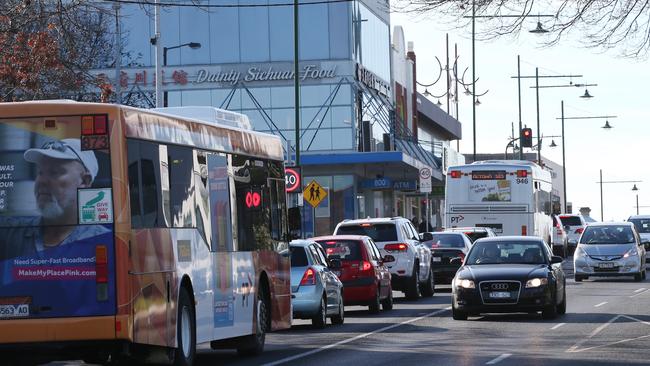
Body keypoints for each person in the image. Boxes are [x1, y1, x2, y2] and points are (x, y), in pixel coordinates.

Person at [0, 138, 108, 260]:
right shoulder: (10, 234)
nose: (41, 181)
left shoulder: (103, 241)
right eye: (40, 172)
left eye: (54, 172)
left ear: (84, 181)